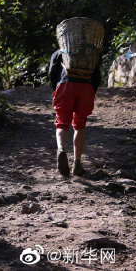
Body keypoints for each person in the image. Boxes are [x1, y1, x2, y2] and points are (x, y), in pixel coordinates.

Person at [49, 49, 101, 177]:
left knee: (61, 123)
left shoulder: (59, 52)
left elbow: (52, 73)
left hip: (65, 85)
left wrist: (56, 87)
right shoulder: (90, 52)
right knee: (79, 125)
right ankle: (77, 163)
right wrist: (91, 91)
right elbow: (97, 76)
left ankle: (61, 149)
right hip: (86, 88)